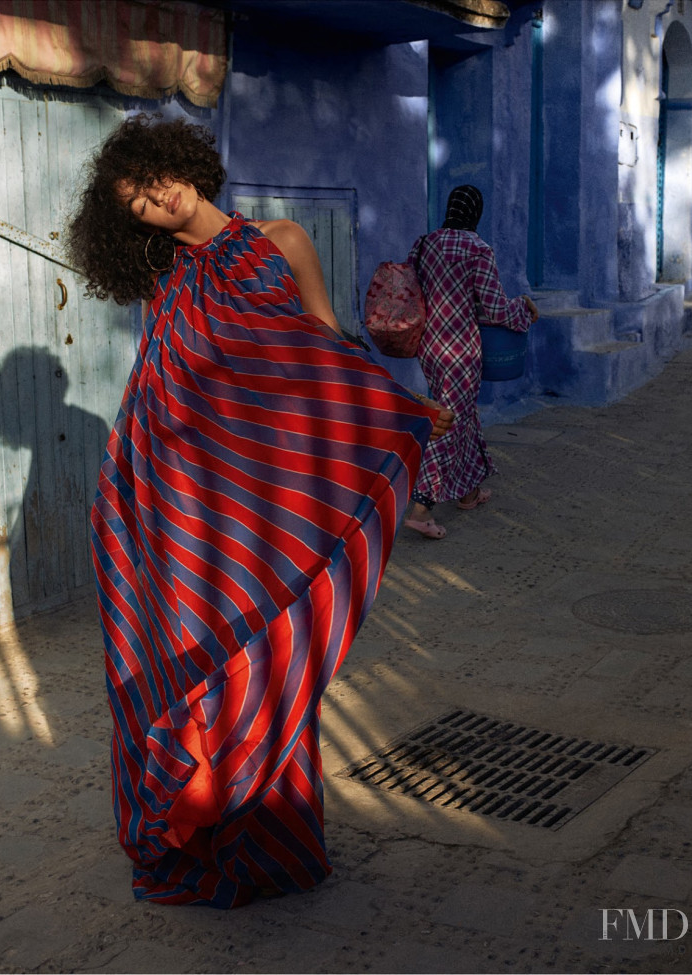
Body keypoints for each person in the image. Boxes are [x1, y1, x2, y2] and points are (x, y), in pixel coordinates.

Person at [66, 114, 452, 908]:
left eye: (152, 177)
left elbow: (324, 349)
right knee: (195, 664)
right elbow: (162, 392)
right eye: (135, 201)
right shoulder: (166, 282)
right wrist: (127, 487)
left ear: (180, 162)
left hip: (263, 507)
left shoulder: (282, 243)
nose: (154, 198)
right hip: (190, 509)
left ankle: (269, 839)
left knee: (268, 658)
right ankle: (199, 820)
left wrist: (394, 407)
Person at [403, 185, 538, 539]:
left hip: (429, 347)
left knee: (461, 415)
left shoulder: (425, 243)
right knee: (449, 422)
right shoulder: (477, 249)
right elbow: (493, 308)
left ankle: (469, 492)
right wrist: (522, 307)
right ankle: (421, 508)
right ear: (475, 212)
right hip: (461, 350)